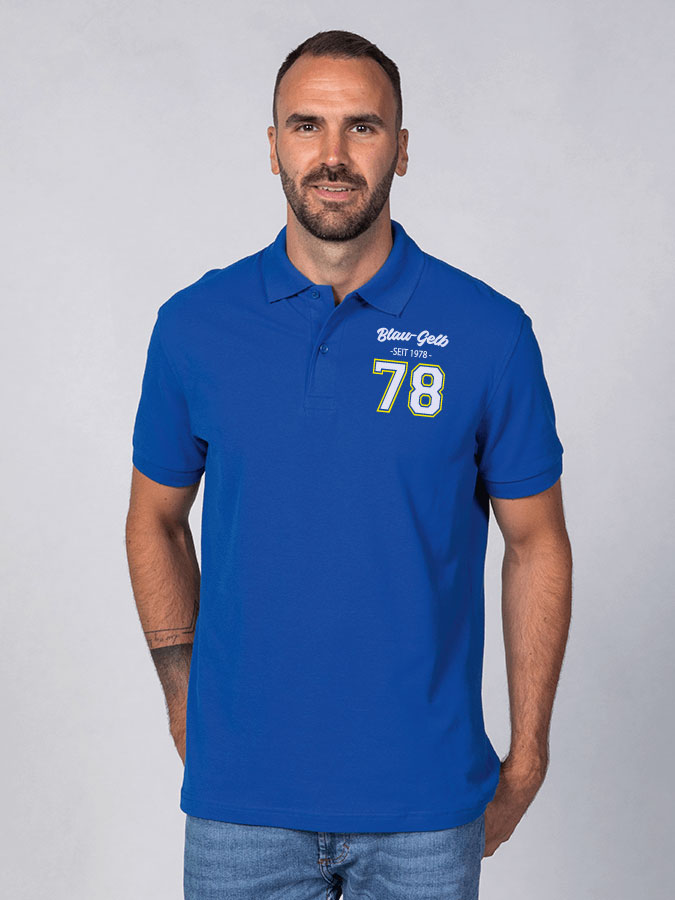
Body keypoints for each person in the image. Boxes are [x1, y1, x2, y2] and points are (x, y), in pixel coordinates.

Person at [125, 28, 573, 900]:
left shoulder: (487, 333)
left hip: (426, 805)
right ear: (273, 147)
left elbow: (536, 543)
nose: (332, 154)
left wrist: (527, 757)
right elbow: (155, 520)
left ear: (400, 149)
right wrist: (184, 703)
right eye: (307, 125)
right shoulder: (193, 326)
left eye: (361, 127)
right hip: (241, 806)